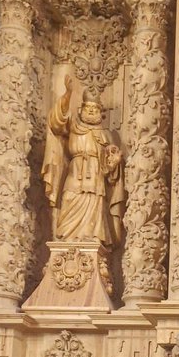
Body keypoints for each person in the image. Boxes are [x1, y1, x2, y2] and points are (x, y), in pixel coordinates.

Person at [42, 74, 125, 247]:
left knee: (95, 206)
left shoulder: (105, 135)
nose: (92, 111)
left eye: (95, 109)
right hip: (75, 172)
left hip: (95, 177)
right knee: (69, 200)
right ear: (80, 110)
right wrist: (67, 94)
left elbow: (108, 170)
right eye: (88, 108)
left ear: (101, 114)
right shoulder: (73, 126)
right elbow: (56, 122)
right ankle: (66, 239)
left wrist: (113, 163)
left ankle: (93, 242)